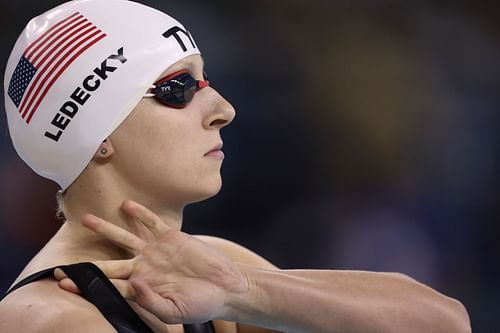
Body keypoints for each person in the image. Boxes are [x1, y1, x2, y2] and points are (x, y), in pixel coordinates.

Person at [0, 0, 470, 332]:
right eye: (178, 88)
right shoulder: (48, 318)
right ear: (97, 136)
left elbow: (445, 322)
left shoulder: (202, 270)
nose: (223, 108)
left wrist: (242, 291)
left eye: (208, 81)